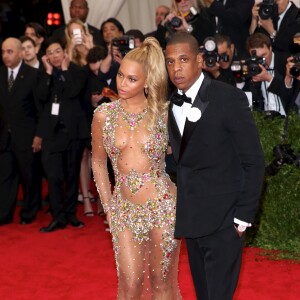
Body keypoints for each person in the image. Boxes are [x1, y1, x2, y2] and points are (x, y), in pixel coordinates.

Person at [165, 32, 265, 300]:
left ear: (199, 59)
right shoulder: (170, 104)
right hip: (192, 220)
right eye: (170, 61)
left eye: (184, 59)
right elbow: (181, 161)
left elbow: (254, 161)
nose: (177, 68)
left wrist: (241, 220)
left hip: (224, 222)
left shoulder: (227, 98)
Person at [91, 37, 181, 299]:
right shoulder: (104, 115)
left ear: (147, 81)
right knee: (129, 285)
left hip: (164, 208)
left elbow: (184, 156)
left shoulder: (165, 113)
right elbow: (97, 162)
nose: (122, 83)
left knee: (162, 283)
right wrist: (109, 208)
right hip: (124, 210)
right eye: (120, 75)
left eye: (131, 79)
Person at [38, 37, 89, 232]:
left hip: (73, 132)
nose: (54, 55)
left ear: (64, 52)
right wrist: (49, 73)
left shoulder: (76, 70)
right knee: (54, 176)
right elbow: (42, 97)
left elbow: (73, 91)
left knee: (71, 175)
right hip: (52, 133)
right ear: (46, 57)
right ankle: (58, 216)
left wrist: (65, 70)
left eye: (57, 51)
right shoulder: (45, 74)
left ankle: (70, 215)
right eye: (50, 53)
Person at [0, 37, 41, 225]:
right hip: (4, 137)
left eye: (9, 52)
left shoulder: (33, 75)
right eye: (3, 52)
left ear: (19, 53)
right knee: (5, 176)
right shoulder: (0, 74)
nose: (5, 56)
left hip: (26, 136)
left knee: (29, 176)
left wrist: (38, 135)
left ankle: (29, 212)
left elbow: (40, 109)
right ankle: (4, 214)